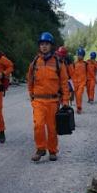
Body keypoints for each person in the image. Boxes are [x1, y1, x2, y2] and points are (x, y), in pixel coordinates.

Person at [27, 32, 70, 162]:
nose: (44, 46)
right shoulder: (35, 62)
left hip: (53, 101)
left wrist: (66, 100)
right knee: (38, 125)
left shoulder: (58, 63)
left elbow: (64, 82)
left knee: (52, 128)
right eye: (42, 44)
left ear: (51, 46)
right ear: (39, 46)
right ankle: (40, 148)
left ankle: (52, 150)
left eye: (46, 44)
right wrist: (31, 95)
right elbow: (30, 80)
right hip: (38, 100)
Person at [72, 47, 87, 114]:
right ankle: (78, 107)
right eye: (78, 55)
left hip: (82, 82)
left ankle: (79, 107)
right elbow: (71, 73)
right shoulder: (74, 64)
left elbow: (89, 73)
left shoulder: (86, 64)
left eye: (80, 55)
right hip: (75, 82)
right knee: (76, 96)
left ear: (83, 56)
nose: (79, 56)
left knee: (79, 94)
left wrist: (88, 81)